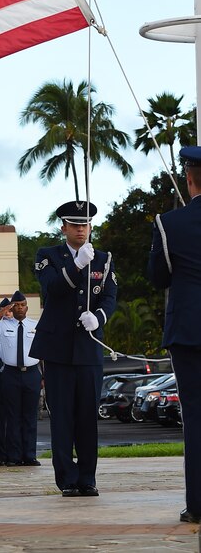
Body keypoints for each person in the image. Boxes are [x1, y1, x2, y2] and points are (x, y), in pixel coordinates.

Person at [30, 201, 116, 497]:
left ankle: (88, 478)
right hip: (57, 349)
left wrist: (99, 318)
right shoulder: (48, 256)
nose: (81, 229)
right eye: (75, 224)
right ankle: (67, 478)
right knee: (63, 417)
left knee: (87, 417)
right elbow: (52, 288)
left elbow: (110, 297)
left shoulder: (103, 259)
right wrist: (76, 265)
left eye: (86, 224)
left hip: (88, 349)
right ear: (63, 227)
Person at [148, 146, 201, 524]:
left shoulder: (169, 223)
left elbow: (158, 277)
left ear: (188, 177)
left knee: (195, 419)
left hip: (188, 332)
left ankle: (198, 504)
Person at [0, 290, 41, 466]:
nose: (20, 308)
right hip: (11, 373)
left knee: (30, 416)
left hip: (31, 373)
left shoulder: (35, 325)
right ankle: (14, 457)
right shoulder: (2, 325)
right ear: (12, 307)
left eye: (22, 305)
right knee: (13, 416)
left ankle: (30, 455)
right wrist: (1, 313)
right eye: (16, 305)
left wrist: (44, 376)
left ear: (27, 307)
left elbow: (44, 351)